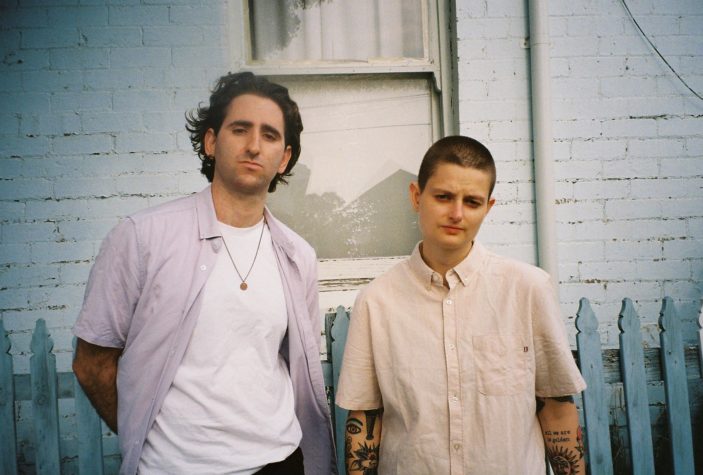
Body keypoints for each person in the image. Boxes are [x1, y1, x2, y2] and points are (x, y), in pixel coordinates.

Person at [72, 72, 335, 475]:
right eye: (240, 129)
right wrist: (142, 436)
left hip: (278, 462)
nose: (253, 145)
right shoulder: (142, 236)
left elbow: (294, 364)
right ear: (211, 142)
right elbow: (91, 363)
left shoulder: (298, 256)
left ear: (284, 158)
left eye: (269, 135)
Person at [336, 136, 587, 475]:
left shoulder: (528, 290)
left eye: (472, 202)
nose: (456, 213)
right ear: (416, 196)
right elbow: (366, 418)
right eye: (443, 197)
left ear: (488, 207)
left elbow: (556, 409)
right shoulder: (377, 301)